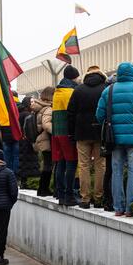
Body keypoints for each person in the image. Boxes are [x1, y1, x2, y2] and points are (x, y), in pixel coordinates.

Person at [97, 62, 133, 216]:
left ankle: (118, 207)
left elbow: (99, 116)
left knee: (116, 171)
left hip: (115, 138)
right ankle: (131, 207)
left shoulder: (108, 90)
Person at [67, 66, 108, 209]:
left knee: (83, 165)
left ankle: (85, 199)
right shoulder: (106, 88)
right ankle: (98, 198)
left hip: (82, 132)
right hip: (100, 132)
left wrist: (71, 133)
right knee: (100, 165)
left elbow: (70, 113)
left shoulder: (78, 90)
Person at [53, 66, 80, 206]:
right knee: (71, 163)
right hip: (66, 132)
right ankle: (69, 195)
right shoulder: (71, 92)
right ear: (73, 77)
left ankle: (60, 194)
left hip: (57, 132)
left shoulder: (57, 91)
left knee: (61, 163)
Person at [31, 87, 54, 197]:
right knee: (48, 165)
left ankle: (42, 189)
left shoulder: (38, 107)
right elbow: (46, 124)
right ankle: (43, 189)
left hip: (40, 138)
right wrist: (56, 131)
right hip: (46, 139)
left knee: (46, 164)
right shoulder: (48, 108)